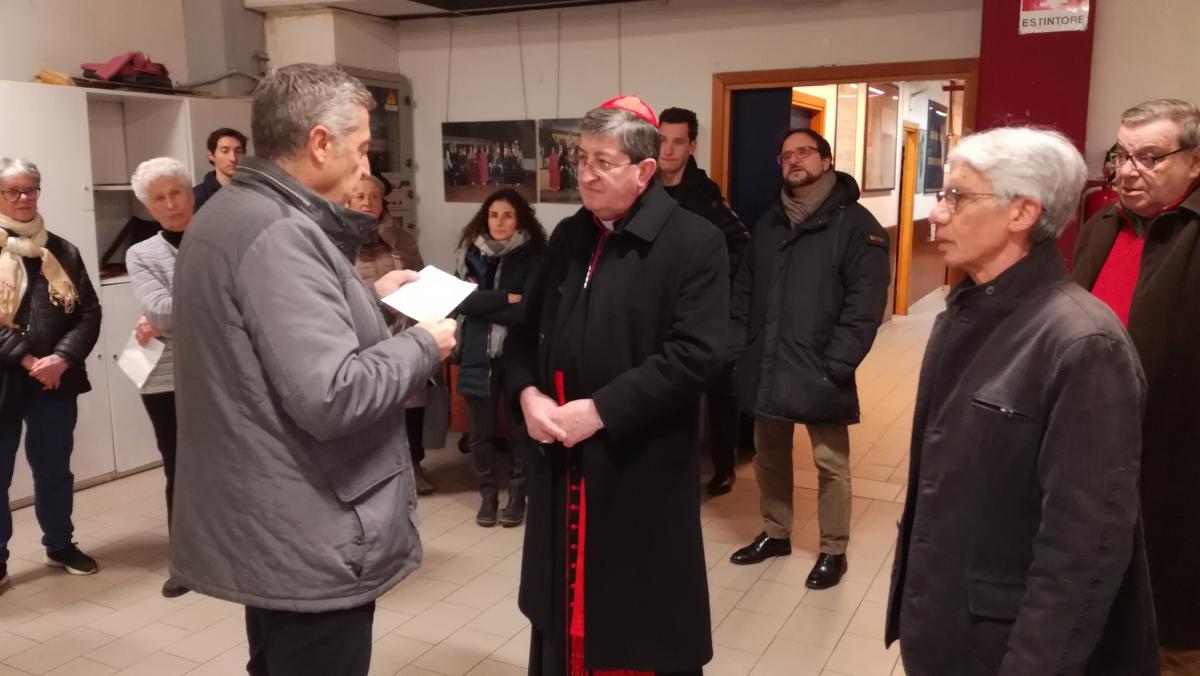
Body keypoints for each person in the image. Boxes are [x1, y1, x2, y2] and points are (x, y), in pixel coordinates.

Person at [169, 64, 456, 676]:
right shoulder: (280, 233)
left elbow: (267, 338)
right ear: (320, 142)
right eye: (361, 147)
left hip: (268, 514)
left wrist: (372, 299)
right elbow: (333, 394)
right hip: (308, 521)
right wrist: (423, 346)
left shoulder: (231, 212)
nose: (365, 165)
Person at [886, 126, 1159, 675]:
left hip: (1007, 645)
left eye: (957, 196)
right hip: (943, 627)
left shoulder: (1083, 343)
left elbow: (1084, 549)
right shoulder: (964, 314)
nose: (937, 213)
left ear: (1022, 212)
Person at [504, 96, 727, 675]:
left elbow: (696, 355)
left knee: (633, 621)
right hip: (561, 464)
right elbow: (524, 334)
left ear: (644, 170)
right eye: (581, 159)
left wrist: (600, 411)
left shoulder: (694, 241)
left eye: (603, 162)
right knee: (560, 612)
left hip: (637, 464)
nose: (585, 174)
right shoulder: (568, 236)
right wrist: (527, 394)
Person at [728, 128, 890, 592]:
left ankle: (833, 549)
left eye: (804, 152)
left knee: (830, 463)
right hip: (767, 360)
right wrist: (740, 349)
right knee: (770, 456)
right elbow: (743, 292)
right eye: (785, 156)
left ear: (826, 159)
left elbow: (865, 305)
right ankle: (775, 533)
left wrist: (836, 364)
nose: (794, 161)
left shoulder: (857, 225)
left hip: (821, 366)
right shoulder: (769, 224)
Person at [1071, 98, 1200, 675]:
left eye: (1149, 157)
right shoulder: (1101, 225)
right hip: (1091, 451)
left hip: (1176, 461)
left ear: (1194, 161)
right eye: (1121, 155)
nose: (1127, 171)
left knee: (1171, 620)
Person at [0, 157, 103, 585]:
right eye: (13, 191)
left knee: (54, 469)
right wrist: (28, 360)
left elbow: (88, 312)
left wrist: (61, 359)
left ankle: (60, 545)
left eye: (31, 189)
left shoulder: (63, 250)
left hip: (55, 380)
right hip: (5, 379)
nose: (24, 198)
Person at [657, 106, 749, 496]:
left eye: (678, 142)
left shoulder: (706, 195)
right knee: (663, 386)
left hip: (702, 310)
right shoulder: (642, 187)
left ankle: (724, 464)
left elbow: (740, 244)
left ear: (692, 146)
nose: (668, 150)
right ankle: (667, 465)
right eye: (662, 140)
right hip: (656, 308)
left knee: (719, 387)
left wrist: (714, 289)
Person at [454, 188, 546, 528]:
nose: (499, 222)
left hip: (518, 353)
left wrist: (484, 303)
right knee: (479, 433)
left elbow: (527, 311)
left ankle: (518, 496)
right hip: (477, 351)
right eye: (493, 215)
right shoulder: (470, 254)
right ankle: (488, 496)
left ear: (519, 219)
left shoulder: (535, 255)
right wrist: (506, 297)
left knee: (521, 429)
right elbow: (462, 302)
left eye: (507, 215)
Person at [127, 156, 195, 598]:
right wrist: (164, 320)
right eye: (159, 198)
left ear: (191, 193)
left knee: (229, 465)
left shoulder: (219, 241)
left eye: (176, 193)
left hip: (218, 372)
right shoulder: (141, 253)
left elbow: (245, 300)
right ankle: (185, 562)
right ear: (148, 206)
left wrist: (168, 319)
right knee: (179, 467)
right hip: (164, 376)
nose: (171, 204)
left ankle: (232, 551)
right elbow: (159, 311)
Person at [350, 172, 436, 496]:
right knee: (369, 400)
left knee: (411, 401)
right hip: (360, 331)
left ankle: (414, 464)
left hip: (401, 328)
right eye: (360, 196)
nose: (367, 203)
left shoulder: (402, 239)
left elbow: (419, 276)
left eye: (373, 197)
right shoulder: (337, 239)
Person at [193, 127, 247, 211]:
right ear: (211, 155)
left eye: (238, 151)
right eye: (225, 151)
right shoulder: (196, 197)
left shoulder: (257, 191)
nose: (233, 158)